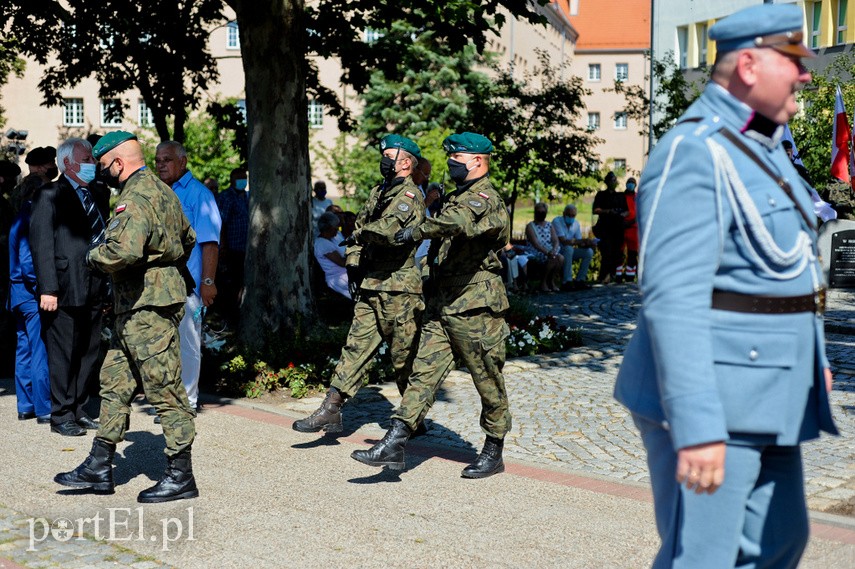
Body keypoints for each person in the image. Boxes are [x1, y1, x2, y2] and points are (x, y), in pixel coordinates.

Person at [613, 5, 838, 567]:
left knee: (780, 541)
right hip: (714, 396)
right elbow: (671, 297)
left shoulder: (764, 147)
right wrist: (698, 424)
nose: (806, 74)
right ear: (749, 65)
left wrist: (814, 358)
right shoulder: (695, 150)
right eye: (794, 61)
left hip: (767, 391)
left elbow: (784, 269)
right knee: (704, 557)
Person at [353, 131, 512, 479]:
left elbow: (454, 224)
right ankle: (395, 441)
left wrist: (416, 231)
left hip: (475, 308)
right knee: (422, 376)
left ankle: (493, 447)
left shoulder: (484, 198)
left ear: (477, 160)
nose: (451, 164)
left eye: (457, 159)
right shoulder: (459, 195)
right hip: (442, 305)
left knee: (487, 379)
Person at [55, 131, 199, 503]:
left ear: (118, 163)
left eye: (103, 166)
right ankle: (99, 465)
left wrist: (90, 257)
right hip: (137, 304)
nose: (101, 172)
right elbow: (188, 239)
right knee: (115, 384)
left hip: (146, 306)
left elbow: (124, 251)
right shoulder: (163, 191)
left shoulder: (135, 197)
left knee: (163, 388)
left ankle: (181, 474)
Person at [292, 134, 425, 434]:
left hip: (399, 289)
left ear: (405, 163)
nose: (384, 160)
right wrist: (353, 260)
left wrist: (358, 236)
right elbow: (356, 230)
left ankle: (412, 416)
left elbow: (386, 231)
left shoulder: (409, 196)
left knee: (404, 359)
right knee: (355, 348)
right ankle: (331, 408)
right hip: (370, 286)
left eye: (390, 155)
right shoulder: (378, 192)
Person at [29, 137, 109, 437]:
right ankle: (60, 413)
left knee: (88, 351)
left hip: (94, 285)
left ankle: (78, 407)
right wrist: (47, 288)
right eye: (87, 159)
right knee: (63, 352)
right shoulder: (49, 194)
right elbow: (41, 244)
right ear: (68, 164)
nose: (93, 164)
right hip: (62, 288)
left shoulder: (98, 193)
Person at [156, 141, 221, 413]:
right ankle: (168, 403)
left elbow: (210, 243)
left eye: (167, 159)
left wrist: (208, 282)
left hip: (189, 288)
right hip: (160, 286)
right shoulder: (158, 192)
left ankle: (187, 402)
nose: (160, 164)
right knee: (163, 347)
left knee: (189, 347)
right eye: (157, 159)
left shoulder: (199, 195)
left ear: (182, 162)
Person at [9, 174, 51, 424]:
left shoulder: (19, 216)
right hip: (29, 293)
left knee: (24, 349)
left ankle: (26, 404)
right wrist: (43, 286)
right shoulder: (30, 217)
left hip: (17, 294)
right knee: (39, 350)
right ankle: (43, 406)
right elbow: (28, 262)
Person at [216, 167, 249, 326]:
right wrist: (223, 247)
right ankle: (228, 318)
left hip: (246, 249)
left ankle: (239, 315)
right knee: (230, 285)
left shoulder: (247, 196)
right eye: (239, 178)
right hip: (231, 249)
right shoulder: (226, 197)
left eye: (245, 178)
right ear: (232, 180)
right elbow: (221, 224)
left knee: (242, 283)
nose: (243, 181)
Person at [592, 171, 626, 284]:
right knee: (607, 252)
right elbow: (595, 210)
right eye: (612, 180)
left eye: (615, 180)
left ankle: (612, 275)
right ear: (607, 182)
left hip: (617, 228)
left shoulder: (620, 196)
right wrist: (608, 211)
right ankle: (604, 276)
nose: (614, 182)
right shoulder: (601, 195)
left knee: (617, 254)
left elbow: (627, 211)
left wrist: (620, 214)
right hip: (605, 228)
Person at [552, 204, 594, 291]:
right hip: (557, 251)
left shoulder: (576, 224)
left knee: (589, 252)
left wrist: (588, 243)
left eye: (573, 215)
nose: (571, 217)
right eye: (569, 215)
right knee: (568, 248)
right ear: (564, 214)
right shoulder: (557, 221)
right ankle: (567, 281)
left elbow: (579, 243)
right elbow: (564, 241)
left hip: (568, 252)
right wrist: (582, 241)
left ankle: (580, 280)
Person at [523, 202, 563, 292]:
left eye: (543, 212)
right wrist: (548, 253)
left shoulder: (549, 225)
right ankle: (543, 282)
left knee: (560, 258)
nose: (541, 214)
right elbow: (535, 244)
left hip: (549, 250)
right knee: (552, 258)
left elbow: (555, 240)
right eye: (539, 212)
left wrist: (554, 249)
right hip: (535, 252)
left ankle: (551, 281)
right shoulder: (530, 226)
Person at [10, 147, 57, 214]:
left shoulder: (22, 186)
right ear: (40, 168)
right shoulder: (41, 187)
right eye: (52, 164)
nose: (55, 166)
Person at [314, 211, 350, 299]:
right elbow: (342, 262)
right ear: (329, 228)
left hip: (344, 275)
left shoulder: (332, 239)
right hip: (338, 278)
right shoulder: (322, 243)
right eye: (335, 228)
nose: (337, 230)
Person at [618, 177, 638, 283]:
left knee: (632, 253)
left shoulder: (638, 197)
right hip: (622, 227)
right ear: (626, 184)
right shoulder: (621, 196)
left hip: (634, 228)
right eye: (629, 182)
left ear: (635, 185)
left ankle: (630, 276)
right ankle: (618, 276)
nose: (630, 184)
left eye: (633, 183)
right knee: (619, 252)